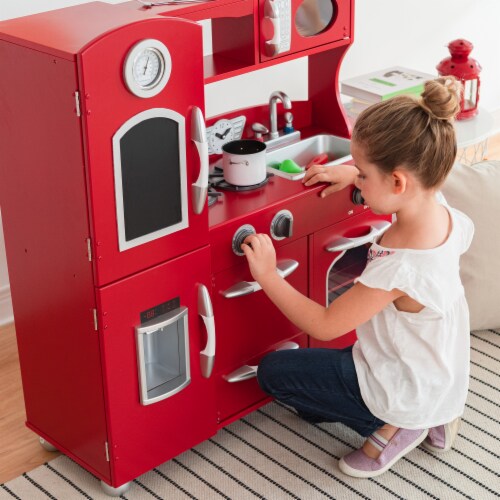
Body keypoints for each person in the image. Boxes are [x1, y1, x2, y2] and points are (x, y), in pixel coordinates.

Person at [241, 76, 474, 478]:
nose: (358, 180)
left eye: (363, 174)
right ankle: (432, 412)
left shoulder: (399, 266)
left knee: (274, 374)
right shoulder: (442, 211)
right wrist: (354, 178)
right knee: (314, 397)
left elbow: (325, 325)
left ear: (397, 181)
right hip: (437, 368)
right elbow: (405, 196)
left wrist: (267, 274)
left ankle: (395, 426)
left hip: (397, 385)